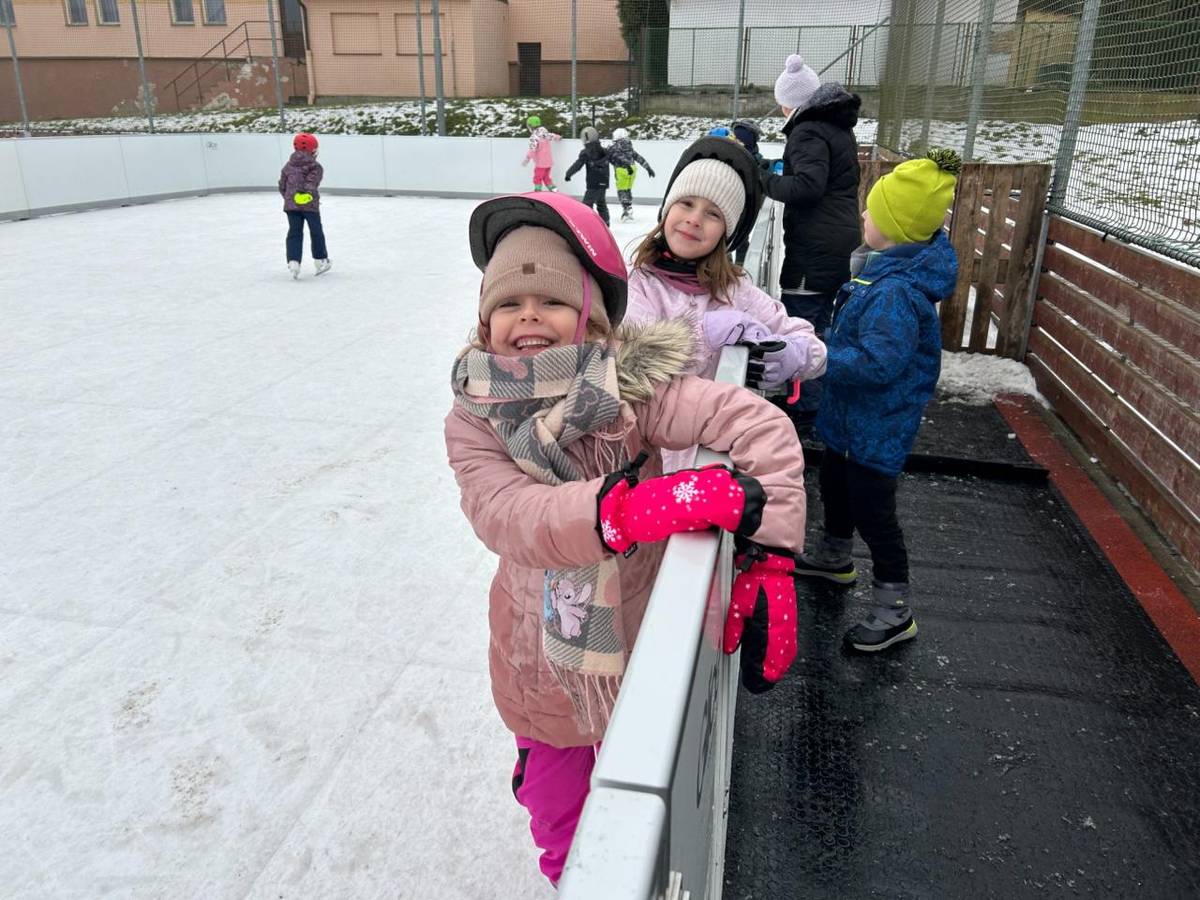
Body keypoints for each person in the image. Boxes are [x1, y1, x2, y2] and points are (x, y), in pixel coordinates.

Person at [445, 192, 808, 886]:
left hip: (640, 647)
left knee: (638, 805)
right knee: (559, 819)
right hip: (541, 669)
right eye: (508, 303)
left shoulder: (631, 390)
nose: (528, 316)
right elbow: (504, 513)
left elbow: (759, 428)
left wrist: (771, 558)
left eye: (550, 302)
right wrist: (624, 512)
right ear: (485, 322)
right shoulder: (474, 418)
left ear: (592, 319)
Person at [795, 151, 961, 653]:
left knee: (874, 512)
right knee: (836, 486)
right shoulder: (878, 275)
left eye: (871, 211)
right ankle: (834, 557)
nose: (863, 217)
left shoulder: (895, 293)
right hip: (850, 421)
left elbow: (878, 364)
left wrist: (821, 357)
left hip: (877, 425)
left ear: (891, 228)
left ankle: (894, 607)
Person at [623, 137, 827, 471]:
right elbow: (636, 364)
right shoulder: (636, 284)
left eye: (713, 213)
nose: (693, 219)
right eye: (686, 203)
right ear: (667, 208)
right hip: (648, 467)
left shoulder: (737, 292)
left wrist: (791, 355)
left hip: (718, 463)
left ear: (727, 234)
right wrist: (705, 334)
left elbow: (813, 346)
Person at [762, 54, 862, 430]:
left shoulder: (808, 130)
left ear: (793, 101)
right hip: (838, 239)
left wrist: (763, 180)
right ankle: (817, 399)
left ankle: (805, 410)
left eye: (782, 103)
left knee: (803, 325)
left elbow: (807, 186)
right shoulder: (835, 127)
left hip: (815, 246)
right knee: (822, 322)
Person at [278, 132, 331, 279]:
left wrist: (290, 198)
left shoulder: (288, 166)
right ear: (313, 150)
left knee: (294, 232)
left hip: (291, 206)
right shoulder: (316, 166)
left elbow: (282, 185)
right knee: (316, 231)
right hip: (310, 206)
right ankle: (320, 260)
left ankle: (294, 261)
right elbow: (311, 184)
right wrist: (305, 196)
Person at [564, 126, 611, 226]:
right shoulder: (605, 151)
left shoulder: (586, 152)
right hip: (604, 182)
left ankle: (586, 225)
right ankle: (606, 223)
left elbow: (578, 165)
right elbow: (616, 160)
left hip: (593, 183)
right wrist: (627, 167)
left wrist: (568, 174)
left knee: (586, 204)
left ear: (586, 138)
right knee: (601, 203)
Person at [606, 127, 655, 222]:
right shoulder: (629, 146)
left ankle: (627, 209)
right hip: (633, 169)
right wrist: (648, 168)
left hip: (622, 169)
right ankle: (628, 207)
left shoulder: (615, 146)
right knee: (627, 189)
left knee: (622, 190)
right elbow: (638, 157)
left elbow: (615, 156)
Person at [522, 115, 561, 192]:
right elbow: (552, 136)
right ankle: (555, 191)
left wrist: (527, 159)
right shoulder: (545, 133)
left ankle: (537, 191)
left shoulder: (534, 137)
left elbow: (532, 150)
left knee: (537, 178)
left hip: (540, 163)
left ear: (530, 126)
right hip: (548, 162)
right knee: (546, 178)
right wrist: (559, 137)